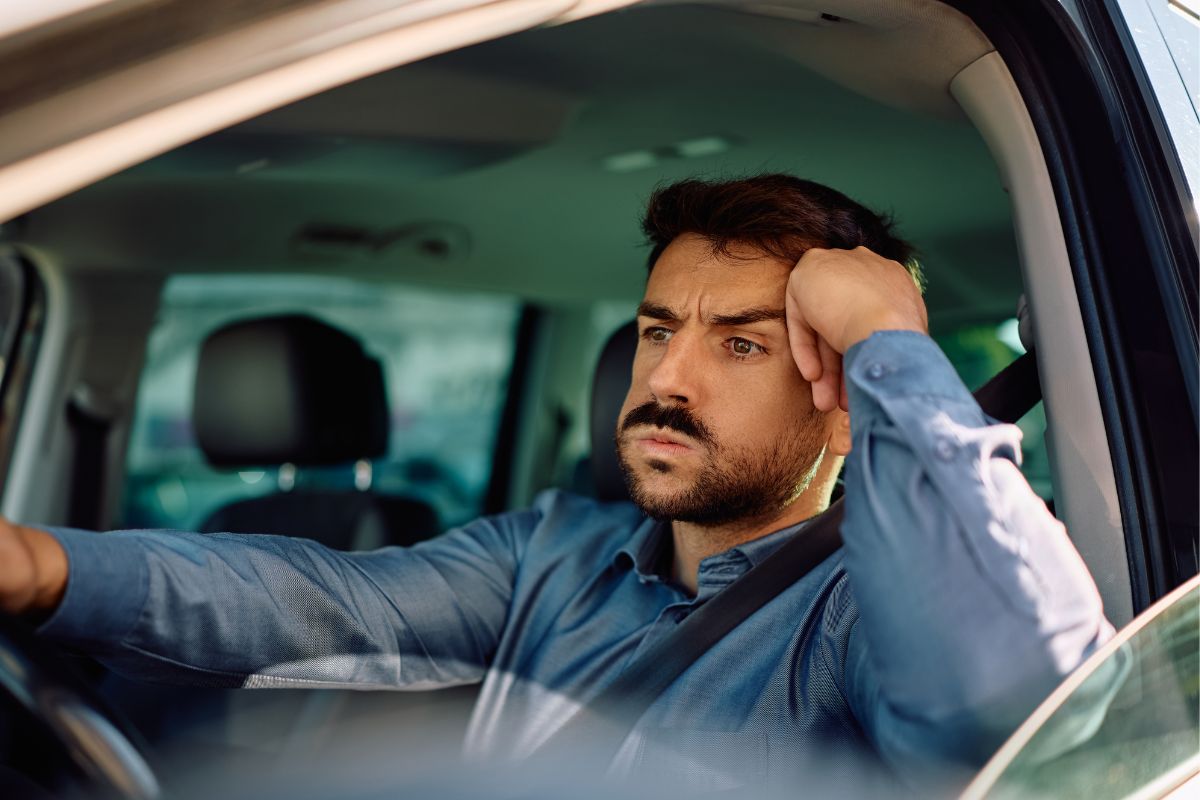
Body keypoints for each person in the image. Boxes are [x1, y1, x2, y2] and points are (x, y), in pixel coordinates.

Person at [0, 175, 1110, 791]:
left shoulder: (864, 610)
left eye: (740, 344)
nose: (664, 379)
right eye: (658, 328)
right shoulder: (555, 549)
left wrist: (887, 340)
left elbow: (1014, 716)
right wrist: (41, 565)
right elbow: (325, 601)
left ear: (837, 387)